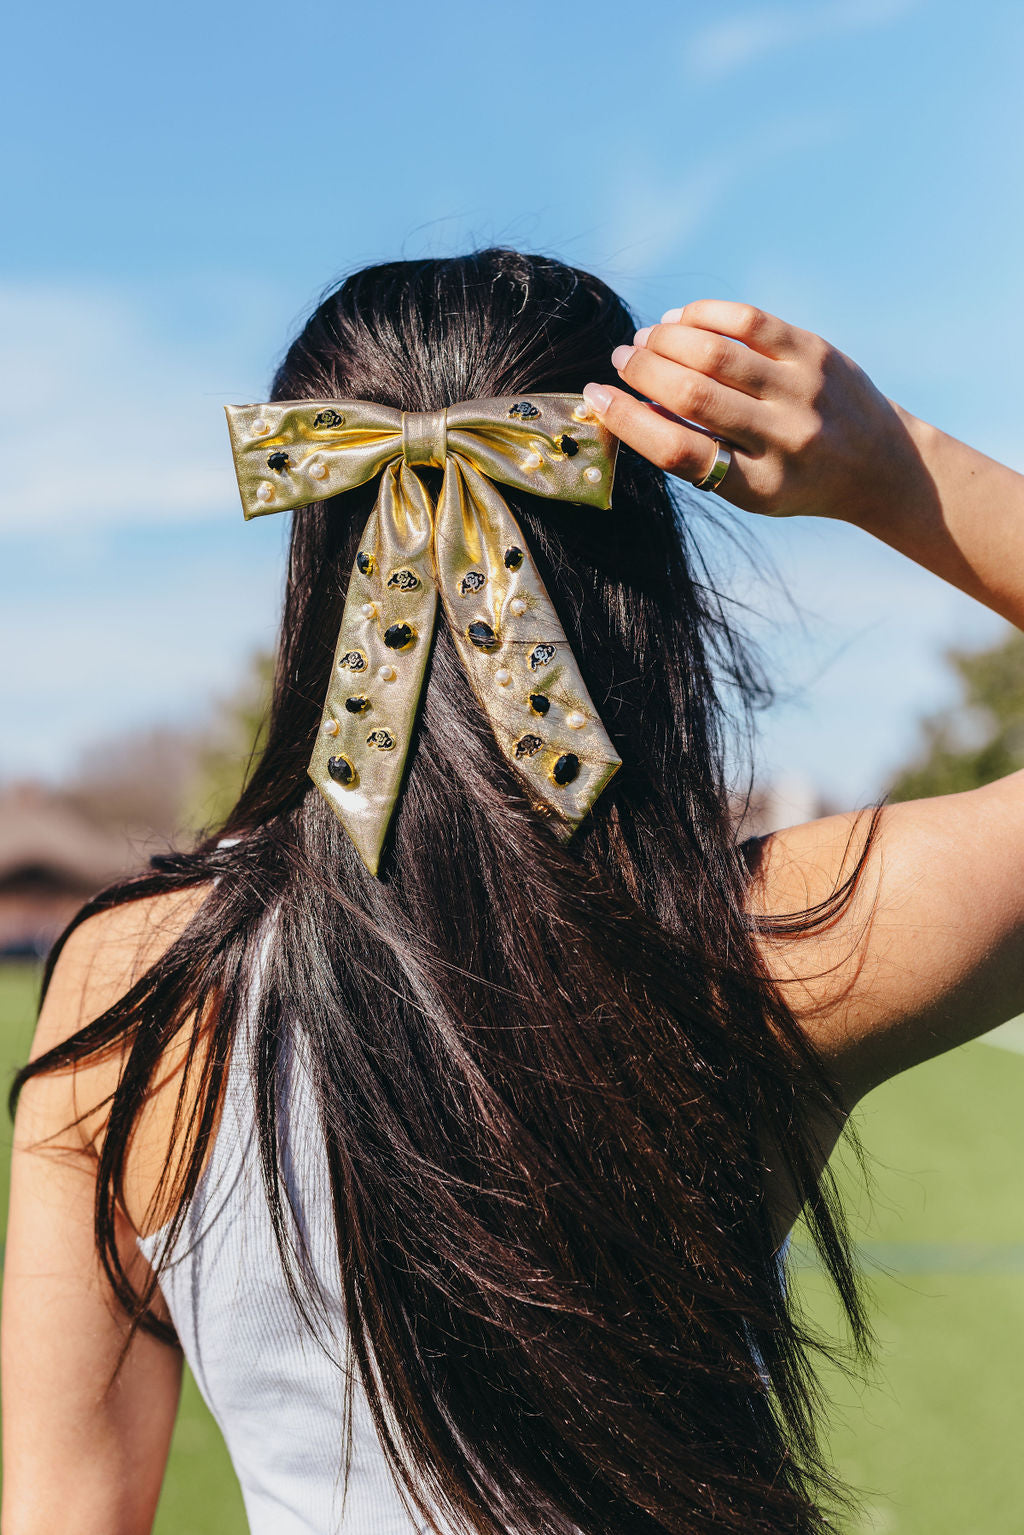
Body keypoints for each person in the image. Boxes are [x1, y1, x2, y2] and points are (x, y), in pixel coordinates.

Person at [4, 249, 1023, 1535]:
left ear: (317, 552)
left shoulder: (125, 983)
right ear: (641, 580)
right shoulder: (775, 942)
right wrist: (896, 469)